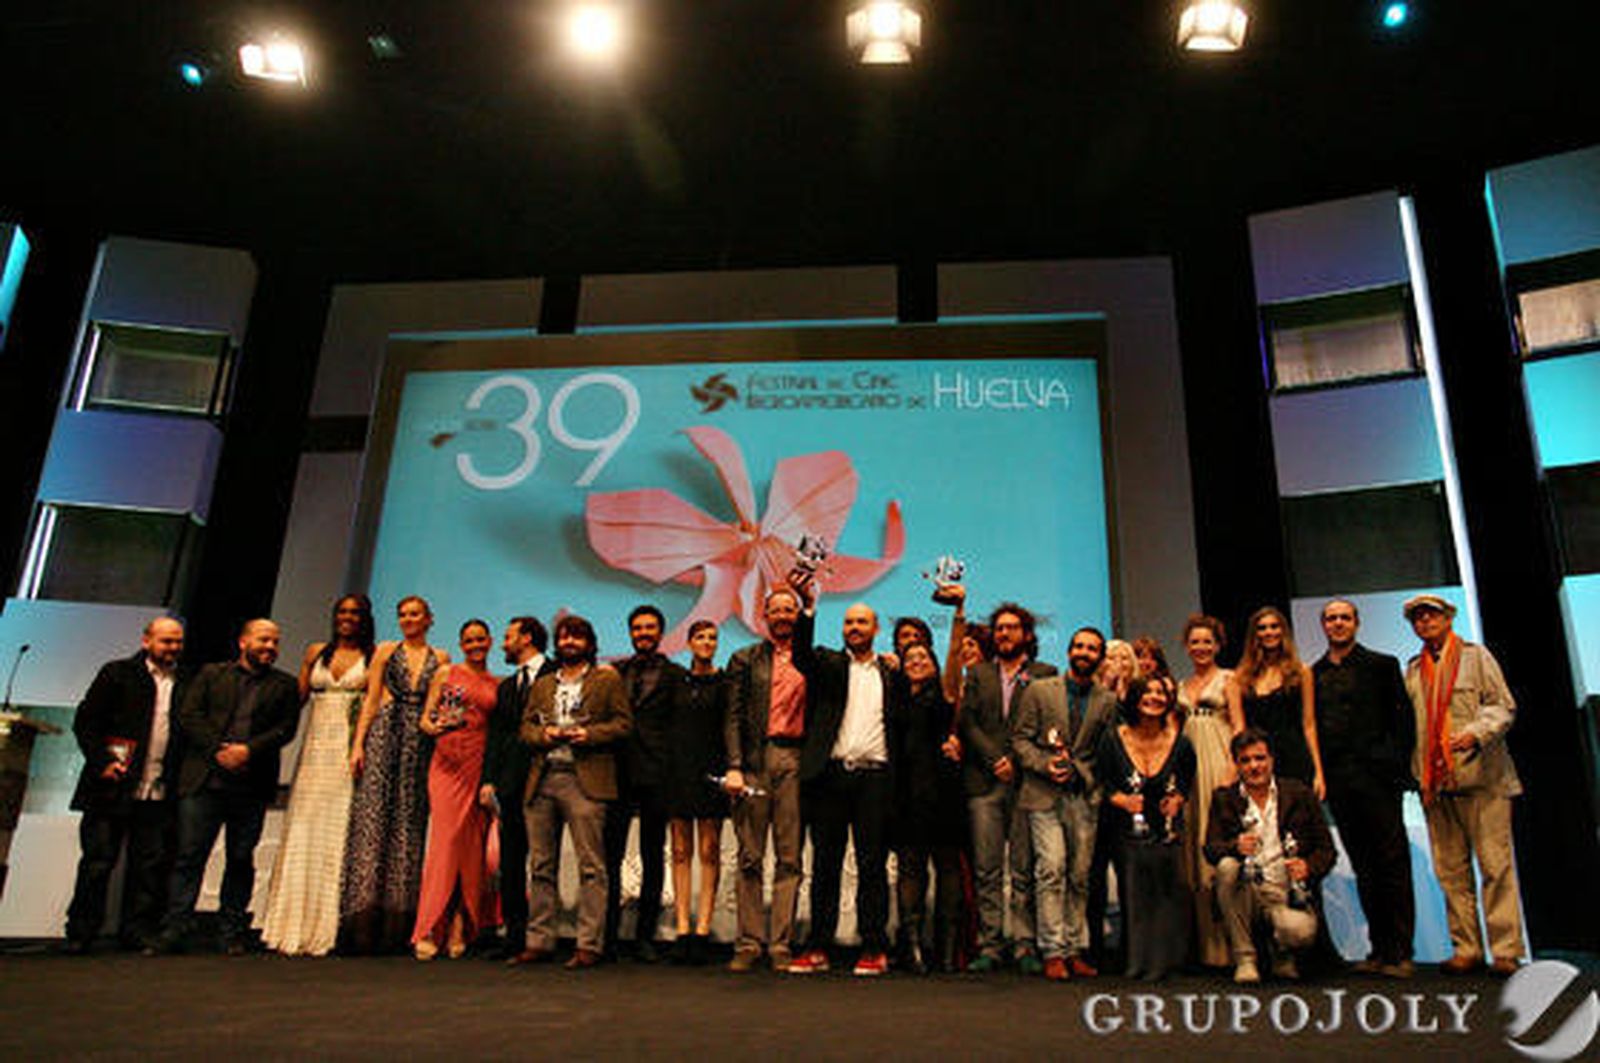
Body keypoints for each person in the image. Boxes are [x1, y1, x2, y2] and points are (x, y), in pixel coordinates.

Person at [150, 619, 301, 955]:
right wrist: (220, 750)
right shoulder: (211, 675)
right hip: (205, 778)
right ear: (243, 641)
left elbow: (286, 728)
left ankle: (231, 930)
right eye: (263, 640)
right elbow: (189, 717)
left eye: (275, 642)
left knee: (240, 857)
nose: (270, 647)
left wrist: (248, 750)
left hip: (251, 784)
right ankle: (175, 928)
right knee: (190, 856)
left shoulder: (285, 685)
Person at [1402, 594, 1525, 976]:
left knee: (1495, 865)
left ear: (1448, 618)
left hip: (1482, 779)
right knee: (1451, 871)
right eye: (1418, 618)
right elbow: (1414, 729)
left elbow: (1503, 706)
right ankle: (1466, 947)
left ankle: (1505, 951)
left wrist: (1475, 733)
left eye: (1431, 615)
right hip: (1437, 786)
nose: (1425, 622)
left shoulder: (1476, 657)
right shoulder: (1413, 670)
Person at [789, 593, 900, 977]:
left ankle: (873, 947)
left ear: (876, 629)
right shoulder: (829, 664)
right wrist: (807, 609)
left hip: (876, 779)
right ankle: (818, 945)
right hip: (831, 777)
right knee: (825, 864)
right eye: (849, 622)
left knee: (872, 866)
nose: (854, 628)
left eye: (862, 622)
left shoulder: (891, 672)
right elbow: (800, 654)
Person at [64, 617, 189, 953]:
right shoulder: (117, 673)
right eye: (166, 641)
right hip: (113, 785)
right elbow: (87, 721)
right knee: (98, 861)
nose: (173, 648)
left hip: (157, 787)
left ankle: (136, 931)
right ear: (146, 641)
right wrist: (102, 761)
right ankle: (81, 931)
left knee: (148, 867)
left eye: (177, 641)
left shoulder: (186, 680)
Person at [262, 595, 375, 956]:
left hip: (347, 750)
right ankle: (289, 925)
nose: (348, 618)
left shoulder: (374, 657)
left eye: (355, 613)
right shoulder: (316, 652)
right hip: (313, 752)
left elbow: (372, 707)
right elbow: (293, 701)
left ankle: (329, 927)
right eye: (342, 612)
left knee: (337, 830)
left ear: (365, 619)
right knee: (303, 828)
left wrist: (359, 747)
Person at [519, 614, 632, 969]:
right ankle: (539, 941)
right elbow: (524, 728)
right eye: (564, 637)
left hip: (586, 780)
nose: (569, 642)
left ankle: (589, 944)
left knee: (592, 868)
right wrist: (544, 735)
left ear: (589, 642)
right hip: (543, 777)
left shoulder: (606, 679)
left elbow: (624, 724)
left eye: (576, 637)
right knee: (540, 865)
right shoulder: (543, 683)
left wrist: (590, 735)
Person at [1312, 598, 1416, 978]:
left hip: (1378, 780)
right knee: (1364, 867)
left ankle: (1401, 953)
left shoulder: (1382, 665)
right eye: (1331, 619)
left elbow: (1403, 722)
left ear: (1356, 623)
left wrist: (1394, 768)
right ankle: (1378, 950)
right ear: (1323, 626)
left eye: (1344, 618)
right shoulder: (1315, 673)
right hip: (1340, 784)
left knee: (1392, 863)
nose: (1338, 624)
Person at [341, 595, 450, 953]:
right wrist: (358, 744)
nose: (408, 619)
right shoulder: (387, 651)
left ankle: (397, 925)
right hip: (386, 733)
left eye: (415, 614)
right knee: (372, 823)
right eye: (402, 614)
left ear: (429, 618)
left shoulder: (443, 658)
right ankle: (361, 925)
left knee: (409, 824)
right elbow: (372, 699)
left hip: (420, 742)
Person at [1010, 626, 1117, 981]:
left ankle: (1074, 949)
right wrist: (1045, 764)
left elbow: (1108, 754)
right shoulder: (1040, 690)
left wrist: (1081, 772)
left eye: (1092, 649)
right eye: (1079, 647)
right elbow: (1021, 740)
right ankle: (1053, 950)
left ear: (1099, 657)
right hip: (1042, 794)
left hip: (1083, 797)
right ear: (1069, 651)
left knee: (1080, 875)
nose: (1084, 652)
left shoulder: (1107, 701)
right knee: (1051, 869)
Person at [959, 602, 1056, 973]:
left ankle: (1024, 943)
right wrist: (994, 760)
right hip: (985, 783)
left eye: (1012, 628)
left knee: (1022, 869)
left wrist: (1015, 760)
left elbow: (1046, 727)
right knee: (986, 869)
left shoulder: (1045, 675)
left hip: (1027, 783)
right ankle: (990, 943)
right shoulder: (978, 674)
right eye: (999, 628)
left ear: (1027, 635)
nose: (1004, 634)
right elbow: (968, 724)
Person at [722, 578, 811, 973]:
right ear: (764, 616)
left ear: (797, 615)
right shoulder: (745, 659)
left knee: (790, 858)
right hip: (755, 762)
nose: (782, 616)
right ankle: (748, 942)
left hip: (794, 759)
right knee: (750, 856)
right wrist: (735, 766)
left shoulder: (812, 659)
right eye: (775, 610)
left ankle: (780, 943)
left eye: (788, 609)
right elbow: (734, 717)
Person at [1205, 728, 1335, 983]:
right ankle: (1245, 959)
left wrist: (1308, 867)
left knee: (1300, 930)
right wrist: (1234, 846)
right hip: (1246, 893)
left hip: (1284, 893)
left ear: (1272, 760)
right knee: (1227, 868)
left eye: (1260, 758)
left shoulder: (1299, 794)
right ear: (1237, 764)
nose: (1254, 766)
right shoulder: (1224, 798)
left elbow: (1326, 850)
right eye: (1246, 760)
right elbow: (1210, 848)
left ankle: (1281, 954)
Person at [412, 619, 500, 960]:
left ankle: (462, 924)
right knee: (445, 844)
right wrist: (434, 727)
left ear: (489, 642)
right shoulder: (445, 673)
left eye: (481, 639)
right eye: (469, 640)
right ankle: (430, 926)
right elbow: (425, 718)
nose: (475, 644)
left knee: (471, 847)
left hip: (477, 765)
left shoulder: (496, 682)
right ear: (461, 643)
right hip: (446, 763)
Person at [1097, 676, 1195, 981]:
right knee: (1135, 896)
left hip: (1166, 832)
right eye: (1147, 692)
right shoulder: (1113, 739)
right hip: (1125, 831)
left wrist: (1178, 799)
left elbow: (1186, 782)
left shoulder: (1181, 743)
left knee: (1168, 895)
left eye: (1160, 693)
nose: (1154, 697)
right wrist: (1121, 801)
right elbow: (1101, 782)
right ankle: (1137, 962)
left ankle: (1169, 962)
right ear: (1135, 699)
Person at [607, 604, 684, 962]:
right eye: (637, 628)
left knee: (654, 857)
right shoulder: (613, 672)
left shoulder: (675, 674)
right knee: (610, 856)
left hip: (658, 773)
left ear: (660, 631)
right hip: (616, 772)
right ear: (630, 633)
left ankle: (645, 937)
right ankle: (607, 935)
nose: (643, 633)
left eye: (650, 628)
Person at [891, 639, 965, 973]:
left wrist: (959, 613)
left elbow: (954, 656)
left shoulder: (946, 693)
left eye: (924, 656)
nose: (917, 661)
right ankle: (913, 947)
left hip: (944, 791)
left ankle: (947, 951)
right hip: (906, 794)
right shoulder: (895, 699)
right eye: (911, 657)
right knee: (911, 869)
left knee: (947, 867)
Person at [485, 616, 552, 962]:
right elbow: (496, 736)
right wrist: (489, 779)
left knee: (545, 862)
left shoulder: (557, 675)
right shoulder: (507, 687)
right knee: (511, 862)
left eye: (508, 636)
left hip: (550, 779)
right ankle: (514, 936)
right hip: (511, 782)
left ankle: (541, 937)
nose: (503, 643)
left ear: (527, 638)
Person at [1176, 613, 1239, 969]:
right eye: (1195, 642)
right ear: (1187, 646)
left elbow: (1240, 726)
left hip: (1219, 765)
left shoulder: (1228, 679)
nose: (1201, 647)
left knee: (1218, 852)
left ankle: (1233, 947)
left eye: (1207, 641)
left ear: (1218, 645)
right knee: (1193, 857)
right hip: (1190, 769)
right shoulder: (1182, 686)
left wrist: (1232, 773)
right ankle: (1206, 950)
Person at [665, 619, 728, 965]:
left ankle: (703, 928)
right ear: (689, 643)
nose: (707, 642)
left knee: (709, 849)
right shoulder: (675, 681)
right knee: (679, 849)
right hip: (678, 771)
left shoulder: (725, 683)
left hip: (711, 772)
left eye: (712, 637)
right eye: (701, 637)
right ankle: (681, 928)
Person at [1228, 607, 1326, 800]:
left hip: (1295, 756)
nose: (1269, 632)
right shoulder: (1238, 679)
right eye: (1262, 628)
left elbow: (1309, 724)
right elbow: (1239, 728)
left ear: (1283, 631)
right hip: (1258, 761)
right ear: (1254, 634)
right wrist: (1233, 768)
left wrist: (1319, 772)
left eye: (1274, 626)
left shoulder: (1301, 672)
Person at [1097, 639, 1139, 703]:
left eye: (1124, 658)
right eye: (1111, 658)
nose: (1119, 664)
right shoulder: (1091, 688)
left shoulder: (1139, 691)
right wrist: (1106, 684)